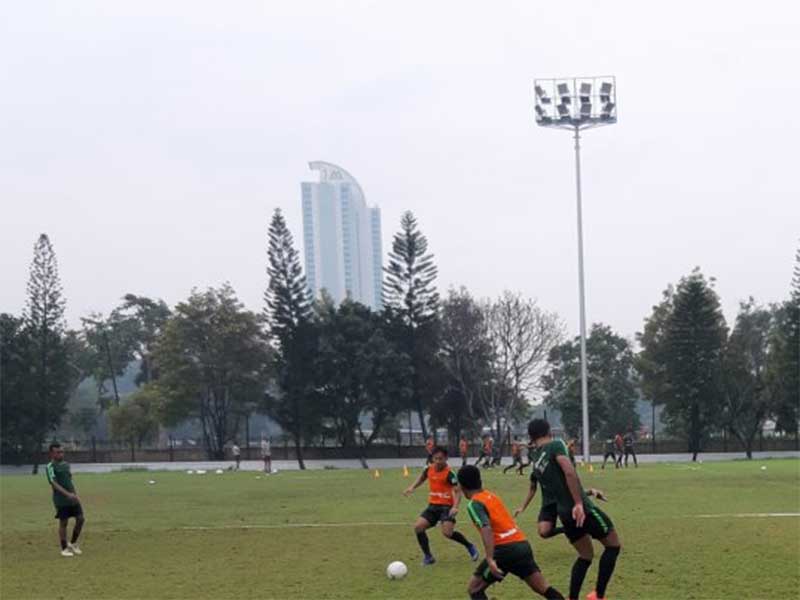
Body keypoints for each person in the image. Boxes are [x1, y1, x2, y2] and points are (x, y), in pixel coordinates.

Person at [526, 419, 621, 600]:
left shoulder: (536, 459)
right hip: (582, 509)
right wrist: (579, 502)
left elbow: (557, 487)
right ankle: (598, 595)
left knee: (585, 556)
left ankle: (572, 598)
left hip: (564, 513)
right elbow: (569, 472)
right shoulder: (556, 445)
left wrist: (589, 492)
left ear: (531, 436)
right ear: (548, 431)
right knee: (613, 546)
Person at [458, 465, 565, 599]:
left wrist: (490, 559)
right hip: (521, 545)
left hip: (503, 550)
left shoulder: (474, 504)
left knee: (474, 589)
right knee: (544, 588)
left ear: (462, 486)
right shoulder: (491, 495)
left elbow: (486, 527)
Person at [403, 445, 480, 566]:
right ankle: (428, 557)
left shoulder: (450, 474)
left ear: (446, 458)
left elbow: (457, 491)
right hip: (433, 506)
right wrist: (412, 487)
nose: (438, 461)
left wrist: (455, 507)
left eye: (441, 459)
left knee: (447, 533)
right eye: (436, 458)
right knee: (418, 527)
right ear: (432, 458)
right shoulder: (429, 469)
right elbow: (422, 478)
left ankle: (469, 546)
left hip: (446, 507)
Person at [45, 443, 85, 557]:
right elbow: (53, 483)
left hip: (73, 497)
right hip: (61, 500)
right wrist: (67, 494)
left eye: (62, 452)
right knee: (64, 522)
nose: (61, 454)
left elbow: (69, 479)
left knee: (81, 519)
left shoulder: (66, 465)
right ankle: (64, 549)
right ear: (52, 453)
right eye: (58, 452)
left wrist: (74, 493)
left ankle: (73, 543)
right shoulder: (50, 467)